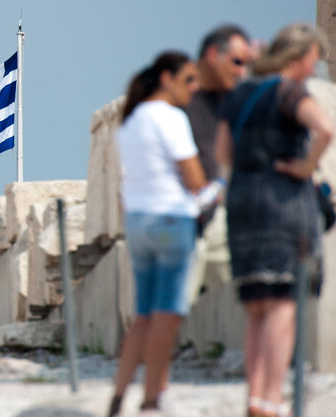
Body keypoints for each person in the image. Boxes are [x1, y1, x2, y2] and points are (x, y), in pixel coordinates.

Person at [215, 23, 332, 417]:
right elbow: (326, 128)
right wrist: (305, 167)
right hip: (282, 203)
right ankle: (270, 398)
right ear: (300, 59)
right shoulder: (290, 91)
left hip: (243, 202)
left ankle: (254, 395)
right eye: (314, 60)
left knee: (256, 306)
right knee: (283, 302)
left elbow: (223, 153)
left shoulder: (242, 93)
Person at [109, 51, 206, 416]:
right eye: (188, 79)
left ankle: (119, 395)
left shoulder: (129, 122)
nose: (194, 88)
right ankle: (151, 398)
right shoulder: (171, 118)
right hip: (171, 219)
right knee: (167, 315)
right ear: (167, 78)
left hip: (138, 221)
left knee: (143, 315)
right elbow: (194, 179)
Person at [184, 25, 253, 300]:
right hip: (185, 220)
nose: (241, 72)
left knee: (235, 301)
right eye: (237, 62)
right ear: (213, 54)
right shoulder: (180, 95)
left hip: (222, 218)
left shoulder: (234, 100)